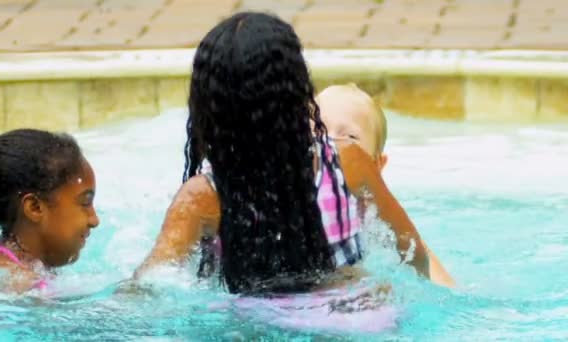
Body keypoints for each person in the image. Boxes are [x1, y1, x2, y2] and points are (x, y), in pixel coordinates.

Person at [135, 12, 429, 295]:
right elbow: (410, 249)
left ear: (208, 109)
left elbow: (151, 287)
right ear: (298, 92)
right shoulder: (345, 161)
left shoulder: (203, 196)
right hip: (349, 313)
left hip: (252, 323)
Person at [317, 84, 455, 288]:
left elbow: (422, 260)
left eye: (349, 138)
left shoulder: (372, 212)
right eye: (317, 130)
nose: (328, 144)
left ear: (376, 165)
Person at [0, 117, 99, 294]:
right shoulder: (18, 285)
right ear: (34, 207)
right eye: (85, 202)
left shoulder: (0, 267)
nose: (95, 220)